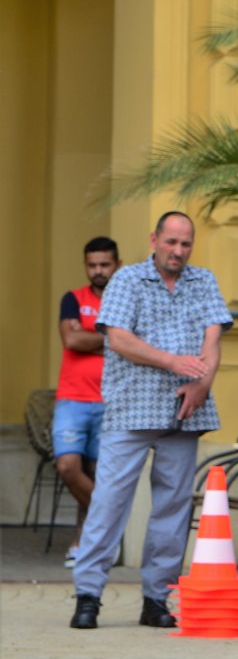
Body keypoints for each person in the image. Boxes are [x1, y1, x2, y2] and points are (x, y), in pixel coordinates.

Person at [69, 213, 229, 631]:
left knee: (173, 508)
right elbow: (118, 339)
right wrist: (173, 361)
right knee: (109, 502)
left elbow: (213, 339)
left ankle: (156, 598)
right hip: (131, 408)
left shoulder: (204, 281)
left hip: (185, 409)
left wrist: (202, 383)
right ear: (154, 238)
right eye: (171, 241)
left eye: (186, 244)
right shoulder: (127, 280)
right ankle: (88, 594)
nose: (178, 251)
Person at [53, 237, 121, 567]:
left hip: (111, 399)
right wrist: (112, 337)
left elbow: (88, 338)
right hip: (73, 399)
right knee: (68, 466)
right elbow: (71, 338)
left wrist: (92, 339)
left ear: (116, 265)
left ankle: (83, 543)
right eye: (92, 265)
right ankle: (107, 526)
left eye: (104, 265)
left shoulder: (122, 300)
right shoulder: (73, 299)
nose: (98, 271)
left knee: (95, 473)